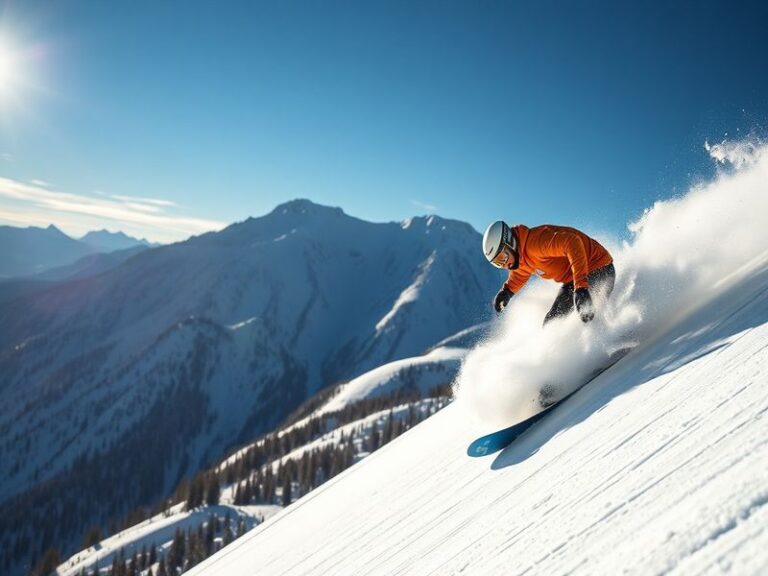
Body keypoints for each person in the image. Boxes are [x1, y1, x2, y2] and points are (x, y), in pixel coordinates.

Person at [482, 221, 615, 324]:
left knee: (586, 312)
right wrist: (507, 291)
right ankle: (574, 356)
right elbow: (520, 273)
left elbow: (572, 242)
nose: (504, 264)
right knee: (552, 323)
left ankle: (608, 339)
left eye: (502, 258)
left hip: (599, 268)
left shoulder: (535, 244)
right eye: (497, 263)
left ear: (509, 242)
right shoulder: (520, 258)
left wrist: (581, 287)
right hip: (575, 280)